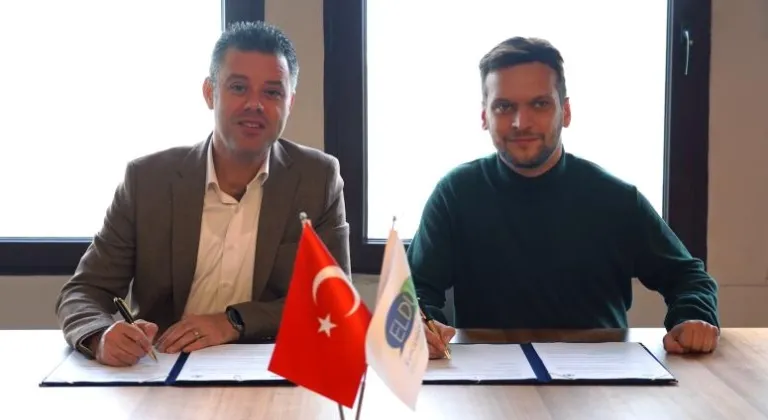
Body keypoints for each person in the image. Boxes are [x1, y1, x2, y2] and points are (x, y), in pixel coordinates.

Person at [55, 21, 350, 367]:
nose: (255, 104)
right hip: (162, 368)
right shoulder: (147, 181)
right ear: (210, 93)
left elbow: (331, 301)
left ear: (290, 103)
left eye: (272, 92)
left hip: (268, 368)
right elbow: (83, 292)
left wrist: (233, 322)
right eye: (238, 87)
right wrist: (101, 335)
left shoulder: (317, 179)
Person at [408, 36, 720, 359]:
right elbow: (414, 291)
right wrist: (420, 325)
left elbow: (689, 278)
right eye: (504, 107)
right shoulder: (455, 195)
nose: (521, 123)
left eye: (539, 104)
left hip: (600, 378)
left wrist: (692, 318)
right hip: (487, 377)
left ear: (566, 112)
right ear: (484, 116)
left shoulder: (614, 199)